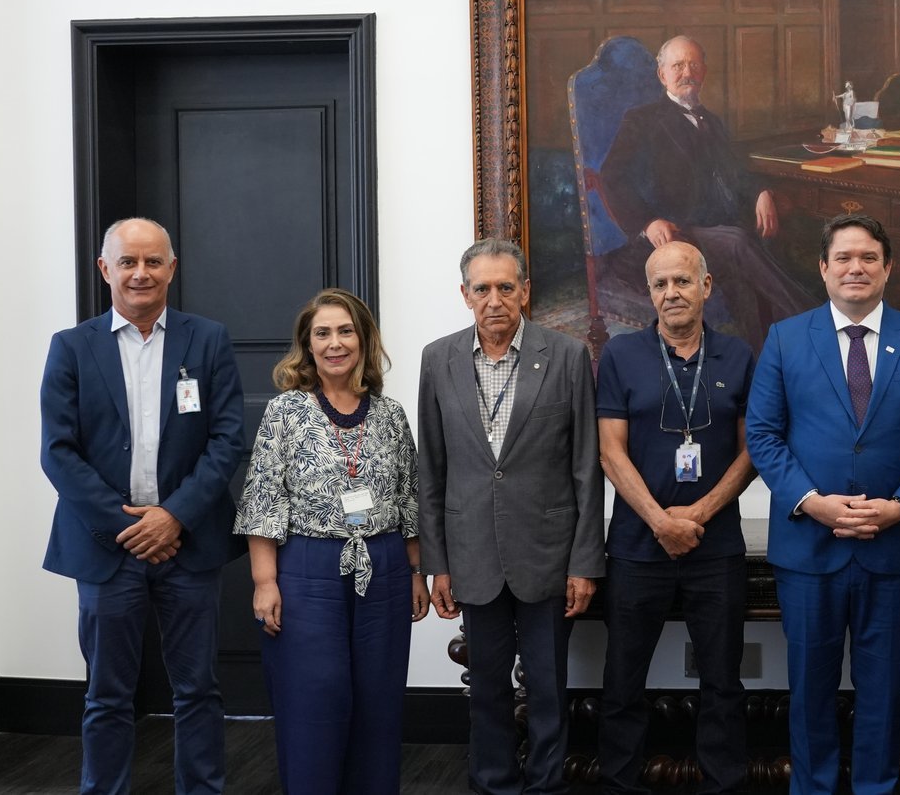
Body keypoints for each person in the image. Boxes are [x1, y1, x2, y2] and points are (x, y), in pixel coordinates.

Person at [746, 214, 900, 795]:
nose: (855, 268)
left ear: (888, 268)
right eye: (843, 257)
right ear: (823, 268)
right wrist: (811, 502)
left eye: (868, 257)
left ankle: (875, 787)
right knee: (809, 688)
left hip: (891, 547)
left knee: (884, 690)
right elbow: (763, 435)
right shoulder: (785, 338)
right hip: (808, 548)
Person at [39, 217, 244, 795]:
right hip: (107, 547)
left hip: (188, 543)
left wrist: (173, 516)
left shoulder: (207, 340)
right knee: (107, 694)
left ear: (171, 269)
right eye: (127, 261)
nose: (140, 273)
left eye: (153, 261)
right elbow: (58, 452)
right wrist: (127, 527)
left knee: (198, 690)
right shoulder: (71, 347)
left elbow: (228, 438)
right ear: (104, 269)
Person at [417, 238, 605, 795]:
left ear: (525, 290)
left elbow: (586, 468)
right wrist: (435, 564)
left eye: (505, 287)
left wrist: (584, 562)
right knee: (486, 689)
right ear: (464, 294)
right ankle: (493, 781)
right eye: (482, 288)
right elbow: (432, 469)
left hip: (549, 554)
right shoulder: (438, 359)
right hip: (472, 553)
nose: (494, 300)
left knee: (548, 687)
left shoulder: (567, 356)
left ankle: (546, 784)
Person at [235, 288, 428, 793]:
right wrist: (264, 582)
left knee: (378, 701)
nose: (335, 343)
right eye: (322, 333)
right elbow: (263, 499)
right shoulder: (285, 412)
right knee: (313, 699)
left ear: (363, 341)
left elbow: (409, 497)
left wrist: (416, 573)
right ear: (308, 344)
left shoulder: (390, 415)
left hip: (384, 568)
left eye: (346, 331)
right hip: (307, 569)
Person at [596, 241, 757, 795]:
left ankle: (724, 783)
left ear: (705, 286)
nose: (672, 293)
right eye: (660, 284)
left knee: (723, 681)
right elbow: (610, 452)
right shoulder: (620, 355)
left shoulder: (738, 355)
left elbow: (753, 451)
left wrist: (698, 513)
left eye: (683, 281)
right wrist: (659, 521)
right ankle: (619, 784)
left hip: (717, 548)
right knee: (622, 680)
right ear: (649, 293)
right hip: (637, 547)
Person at [600, 34, 810, 349]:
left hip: (716, 232)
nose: (687, 73)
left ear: (704, 73)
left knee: (752, 263)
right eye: (678, 66)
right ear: (662, 75)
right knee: (739, 241)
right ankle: (817, 326)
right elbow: (611, 177)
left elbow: (737, 173)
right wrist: (647, 222)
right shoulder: (642, 120)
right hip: (671, 235)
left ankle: (769, 359)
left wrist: (760, 192)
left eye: (694, 65)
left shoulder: (712, 121)